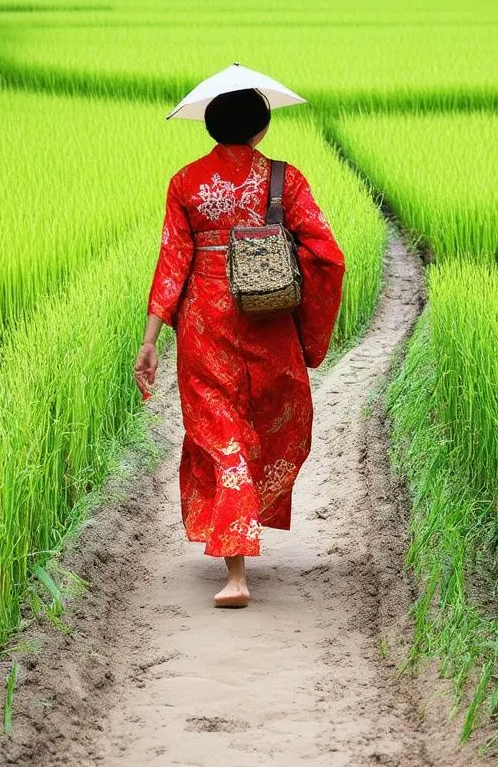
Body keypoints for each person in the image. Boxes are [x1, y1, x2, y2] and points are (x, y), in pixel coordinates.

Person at [133, 87, 345, 608]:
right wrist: (310, 329)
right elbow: (328, 255)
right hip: (268, 320)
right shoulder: (284, 180)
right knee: (273, 423)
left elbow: (172, 263)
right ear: (262, 127)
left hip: (205, 324)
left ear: (208, 126)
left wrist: (150, 339)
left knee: (218, 430)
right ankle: (239, 556)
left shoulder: (185, 182)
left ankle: (236, 563)